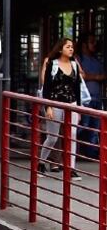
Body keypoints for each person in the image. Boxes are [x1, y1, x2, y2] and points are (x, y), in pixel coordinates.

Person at [39, 38, 85, 180]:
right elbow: (46, 88)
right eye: (68, 47)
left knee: (72, 135)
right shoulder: (52, 64)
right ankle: (41, 162)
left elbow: (77, 88)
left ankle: (71, 169)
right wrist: (48, 107)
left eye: (72, 47)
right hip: (55, 104)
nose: (71, 49)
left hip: (72, 104)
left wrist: (79, 108)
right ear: (60, 49)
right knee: (52, 137)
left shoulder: (74, 64)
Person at [77, 34, 105, 156]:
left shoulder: (97, 61)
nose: (94, 44)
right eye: (91, 42)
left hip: (97, 98)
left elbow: (103, 76)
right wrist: (96, 77)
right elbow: (80, 75)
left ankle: (91, 153)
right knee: (83, 125)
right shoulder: (78, 59)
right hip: (84, 99)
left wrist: (90, 76)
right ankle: (75, 148)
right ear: (84, 44)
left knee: (95, 128)